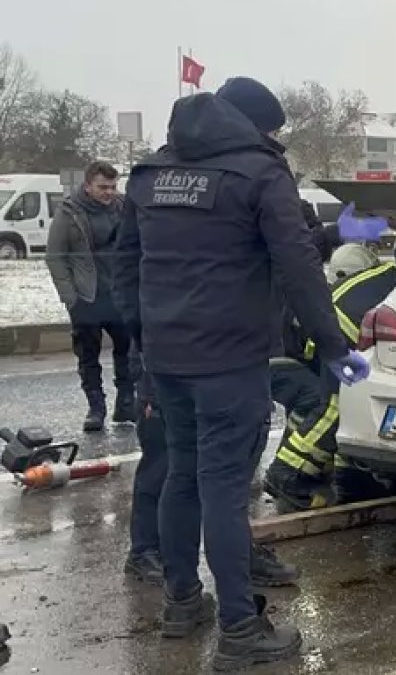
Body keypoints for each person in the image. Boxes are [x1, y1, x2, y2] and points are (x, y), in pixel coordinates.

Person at [114, 76, 367, 671]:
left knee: (182, 475)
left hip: (167, 358)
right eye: (274, 129)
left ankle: (181, 602)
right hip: (229, 362)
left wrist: (143, 345)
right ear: (256, 126)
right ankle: (240, 630)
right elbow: (299, 268)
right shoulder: (259, 174)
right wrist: (333, 347)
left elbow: (126, 267)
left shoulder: (150, 175)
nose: (276, 138)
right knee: (226, 491)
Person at [264, 238, 396, 511]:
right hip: (342, 331)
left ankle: (349, 476)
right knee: (338, 406)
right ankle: (287, 474)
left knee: (345, 405)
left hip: (330, 323)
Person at [124, 356, 299, 590]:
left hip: (221, 373)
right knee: (164, 468)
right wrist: (148, 388)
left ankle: (239, 557)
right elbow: (138, 322)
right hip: (165, 371)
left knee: (226, 484)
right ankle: (144, 550)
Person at [46, 161, 137, 431]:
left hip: (119, 294)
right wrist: (69, 296)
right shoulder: (69, 213)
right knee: (88, 356)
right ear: (87, 186)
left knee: (127, 351)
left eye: (112, 187)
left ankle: (125, 404)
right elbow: (55, 257)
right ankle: (96, 408)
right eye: (102, 187)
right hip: (86, 296)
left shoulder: (122, 207)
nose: (108, 192)